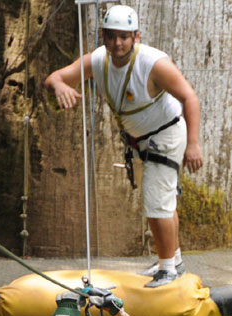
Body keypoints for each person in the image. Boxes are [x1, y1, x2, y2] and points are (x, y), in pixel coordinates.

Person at [44, 5, 203, 288]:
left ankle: (168, 269)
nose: (117, 43)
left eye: (124, 37)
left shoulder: (153, 64)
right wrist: (60, 87)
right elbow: (54, 77)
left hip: (166, 134)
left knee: (157, 201)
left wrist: (193, 144)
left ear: (136, 37)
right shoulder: (97, 61)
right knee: (159, 199)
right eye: (111, 36)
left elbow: (189, 97)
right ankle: (173, 259)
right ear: (103, 36)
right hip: (138, 141)